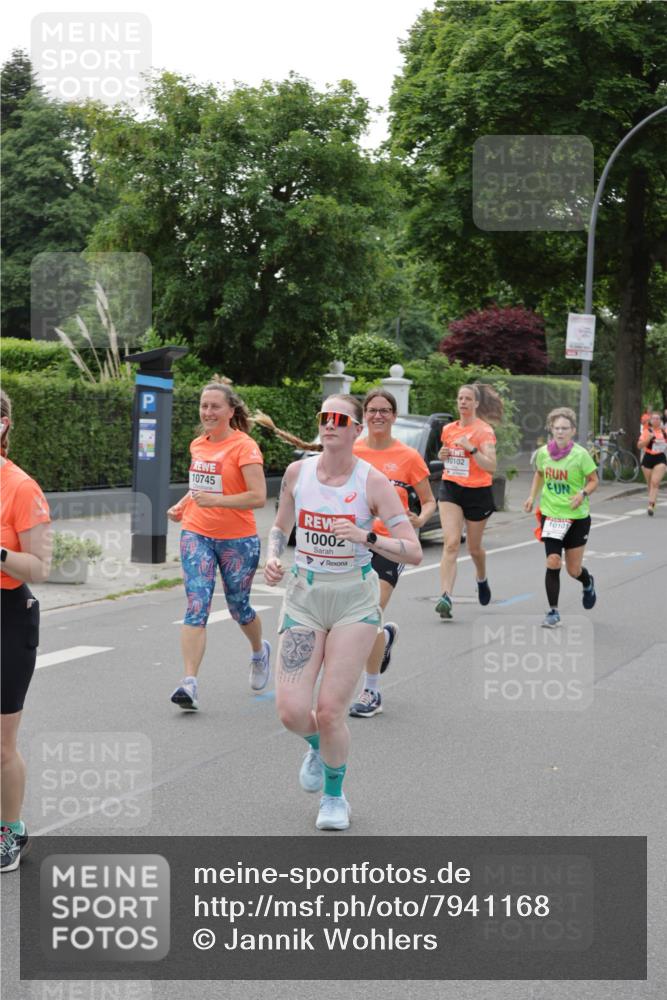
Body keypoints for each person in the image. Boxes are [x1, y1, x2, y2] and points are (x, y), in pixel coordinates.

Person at [264, 394, 422, 831]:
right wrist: (273, 556)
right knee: (291, 712)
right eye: (324, 417)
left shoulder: (373, 482)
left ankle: (334, 797)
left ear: (357, 429)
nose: (330, 424)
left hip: (354, 599)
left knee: (331, 709)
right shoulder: (297, 473)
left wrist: (364, 536)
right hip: (305, 596)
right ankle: (319, 747)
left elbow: (412, 552)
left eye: (339, 418)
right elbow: (280, 526)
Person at [167, 378, 269, 710]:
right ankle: (189, 682)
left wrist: (217, 500)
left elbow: (258, 496)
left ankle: (259, 652)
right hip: (196, 532)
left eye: (215, 406)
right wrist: (183, 504)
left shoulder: (245, 447)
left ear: (230, 411)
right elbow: (200, 487)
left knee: (239, 607)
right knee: (197, 604)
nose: (208, 412)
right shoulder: (198, 444)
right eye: (204, 406)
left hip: (238, 539)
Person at [348, 388, 435, 718]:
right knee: (353, 617)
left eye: (385, 410)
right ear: (364, 415)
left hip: (390, 544)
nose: (378, 416)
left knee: (369, 612)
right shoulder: (351, 451)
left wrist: (421, 519)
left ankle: (371, 691)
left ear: (394, 416)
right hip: (352, 543)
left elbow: (429, 500)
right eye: (372, 410)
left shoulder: (408, 457)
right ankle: (383, 638)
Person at [0, 389, 52, 871]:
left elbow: (39, 566)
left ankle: (10, 831)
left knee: (1, 745)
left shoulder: (20, 487)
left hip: (8, 617)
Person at [523, 407, 598, 628]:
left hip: (577, 517)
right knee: (553, 561)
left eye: (565, 428)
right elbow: (539, 473)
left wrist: (582, 493)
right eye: (556, 428)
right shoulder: (543, 453)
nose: (560, 432)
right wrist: (531, 496)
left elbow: (594, 480)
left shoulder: (581, 455)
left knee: (573, 570)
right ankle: (553, 611)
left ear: (573, 431)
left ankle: (587, 582)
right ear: (551, 430)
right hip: (552, 515)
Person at [435, 383, 503, 620]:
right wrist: (442, 455)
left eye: (467, 399)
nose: (463, 402)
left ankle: (481, 578)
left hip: (477, 492)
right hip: (451, 488)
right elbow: (445, 455)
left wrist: (472, 449)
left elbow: (491, 466)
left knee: (474, 549)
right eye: (460, 398)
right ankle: (445, 596)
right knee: (451, 543)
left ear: (476, 403)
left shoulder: (484, 431)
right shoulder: (448, 429)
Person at [637, 412, 667, 516]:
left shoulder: (664, 432)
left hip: (660, 458)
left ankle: (651, 505)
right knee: (650, 484)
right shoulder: (646, 432)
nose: (656, 420)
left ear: (660, 420)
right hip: (648, 458)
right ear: (650, 421)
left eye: (658, 418)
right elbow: (639, 446)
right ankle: (652, 501)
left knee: (655, 482)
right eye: (653, 418)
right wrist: (648, 438)